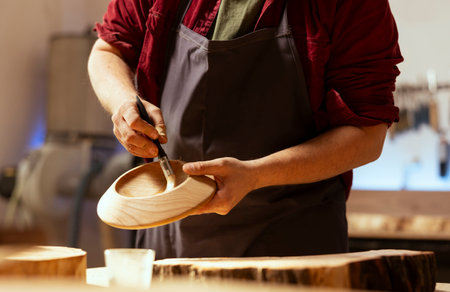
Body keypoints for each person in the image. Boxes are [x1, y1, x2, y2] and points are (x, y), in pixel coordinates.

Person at [88, 0, 403, 259]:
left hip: (293, 247)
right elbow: (108, 50)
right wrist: (123, 102)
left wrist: (257, 174)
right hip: (169, 235)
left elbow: (366, 134)